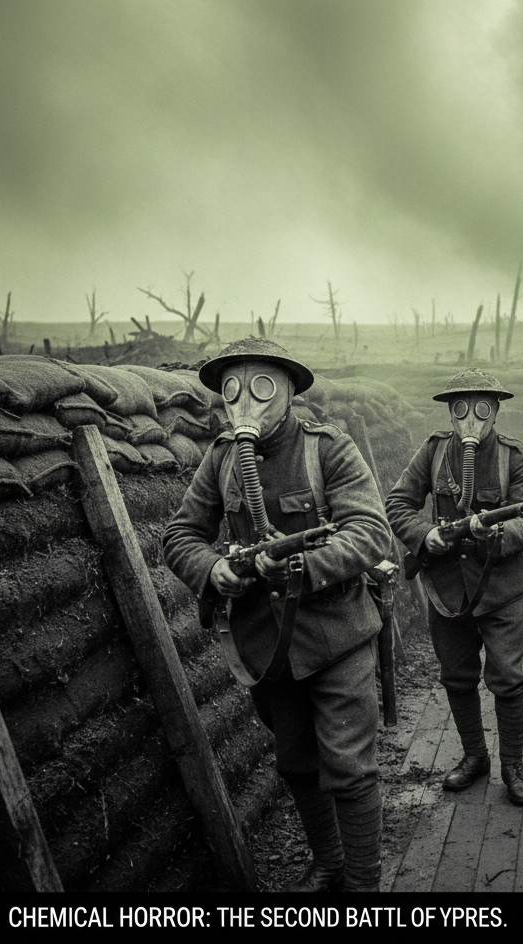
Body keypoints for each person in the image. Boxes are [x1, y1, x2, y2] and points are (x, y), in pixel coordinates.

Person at [162, 338, 391, 893]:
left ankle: (363, 886)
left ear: (289, 392)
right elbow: (180, 534)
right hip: (266, 644)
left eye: (261, 386)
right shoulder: (220, 458)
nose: (246, 402)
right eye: (232, 388)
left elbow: (371, 532)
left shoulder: (327, 449)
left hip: (337, 634)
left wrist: (306, 567)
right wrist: (213, 569)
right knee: (295, 762)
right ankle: (329, 864)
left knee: (350, 768)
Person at [385, 369, 523, 806]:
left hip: (502, 590)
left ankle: (513, 763)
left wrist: (499, 536)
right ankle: (474, 755)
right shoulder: (434, 452)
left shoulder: (515, 455)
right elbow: (398, 503)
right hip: (448, 592)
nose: (471, 419)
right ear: (450, 413)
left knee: (509, 678)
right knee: (456, 677)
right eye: (461, 408)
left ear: (495, 411)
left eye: (482, 408)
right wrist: (424, 535)